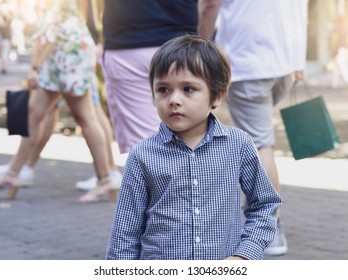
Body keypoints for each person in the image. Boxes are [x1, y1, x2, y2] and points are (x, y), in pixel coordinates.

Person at [106, 35, 282, 260]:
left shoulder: (239, 145)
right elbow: (125, 233)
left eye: (188, 89)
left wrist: (244, 256)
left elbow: (265, 205)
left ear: (216, 96)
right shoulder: (142, 156)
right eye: (163, 90)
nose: (174, 100)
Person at [198, 0, 308, 256]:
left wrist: (198, 48)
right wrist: (298, 59)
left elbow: (209, 4)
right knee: (258, 139)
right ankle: (257, 217)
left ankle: (269, 228)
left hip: (249, 60)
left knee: (260, 144)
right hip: (284, 61)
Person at [0, 0, 121, 203]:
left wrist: (35, 67)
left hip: (66, 50)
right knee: (36, 112)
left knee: (85, 117)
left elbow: (51, 28)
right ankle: (13, 171)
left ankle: (106, 178)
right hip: (69, 47)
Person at [102, 0, 200, 154]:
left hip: (129, 42)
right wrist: (202, 44)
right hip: (184, 44)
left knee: (145, 146)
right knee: (190, 139)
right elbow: (211, 3)